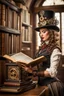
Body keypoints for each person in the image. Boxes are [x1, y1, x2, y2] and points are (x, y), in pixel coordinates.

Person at [19, 10, 64, 96]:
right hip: (40, 84)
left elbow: (52, 72)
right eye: (40, 32)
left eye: (44, 32)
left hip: (51, 85)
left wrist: (33, 72)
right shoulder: (42, 48)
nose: (41, 35)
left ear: (51, 32)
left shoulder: (55, 49)